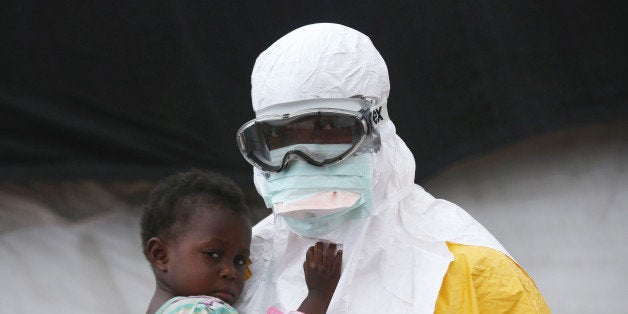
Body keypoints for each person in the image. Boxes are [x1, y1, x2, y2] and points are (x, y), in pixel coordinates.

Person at [234, 23, 550, 313]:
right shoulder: (239, 268)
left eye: (326, 128)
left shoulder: (476, 275)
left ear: (377, 131)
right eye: (277, 136)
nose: (300, 161)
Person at [140, 169, 343, 314]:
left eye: (239, 261)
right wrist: (318, 296)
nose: (229, 272)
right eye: (213, 254)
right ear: (160, 255)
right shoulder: (197, 310)